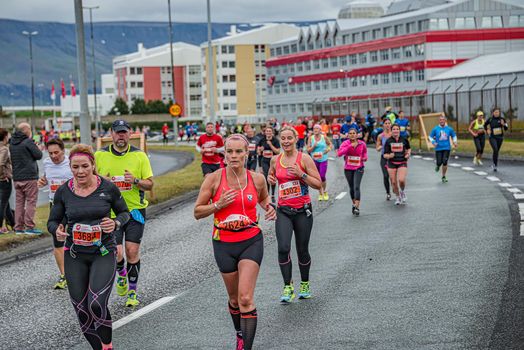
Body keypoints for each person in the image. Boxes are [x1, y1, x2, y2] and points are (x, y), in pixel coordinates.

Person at [194, 134, 276, 350]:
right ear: (224, 154)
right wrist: (217, 205)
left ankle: (245, 346)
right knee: (234, 300)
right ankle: (239, 333)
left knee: (246, 298)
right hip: (224, 244)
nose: (234, 156)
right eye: (229, 151)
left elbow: (264, 197)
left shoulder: (257, 178)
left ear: (246, 153)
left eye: (239, 151)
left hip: (250, 240)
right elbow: (197, 212)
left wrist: (269, 207)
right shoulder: (213, 179)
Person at [47, 144, 130, 350]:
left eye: (85, 166)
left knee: (96, 304)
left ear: (93, 165)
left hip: (103, 252)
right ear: (70, 167)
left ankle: (108, 345)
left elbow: (124, 213)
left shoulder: (108, 188)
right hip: (75, 255)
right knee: (82, 310)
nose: (80, 171)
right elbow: (52, 221)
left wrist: (116, 223)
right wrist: (56, 229)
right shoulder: (64, 192)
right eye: (75, 167)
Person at [95, 119, 154, 307]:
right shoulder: (99, 156)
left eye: (124, 132)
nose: (121, 136)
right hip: (111, 212)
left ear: (130, 134)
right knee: (117, 252)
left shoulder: (140, 156)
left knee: (132, 250)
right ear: (111, 134)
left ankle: (132, 293)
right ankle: (121, 274)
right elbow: (89, 181)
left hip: (135, 210)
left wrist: (135, 180)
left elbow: (150, 183)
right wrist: (101, 181)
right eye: (117, 132)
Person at [268, 126, 322, 303]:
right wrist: (271, 179)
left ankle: (304, 284)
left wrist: (301, 174)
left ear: (296, 139)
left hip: (302, 211)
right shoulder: (275, 160)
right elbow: (271, 175)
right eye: (283, 138)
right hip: (283, 211)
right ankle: (288, 286)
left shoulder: (304, 158)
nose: (285, 141)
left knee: (302, 250)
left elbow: (318, 184)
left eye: (289, 138)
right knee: (283, 248)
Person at [38, 138, 73, 289]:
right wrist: (43, 181)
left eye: (56, 152)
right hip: (56, 206)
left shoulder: (71, 163)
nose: (53, 156)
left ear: (63, 151)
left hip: (72, 205)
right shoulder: (47, 163)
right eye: (50, 153)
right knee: (57, 240)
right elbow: (48, 177)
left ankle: (79, 272)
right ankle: (64, 275)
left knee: (75, 239)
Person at [10, 122, 43, 235]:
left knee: (19, 203)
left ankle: (18, 227)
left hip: (17, 177)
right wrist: (37, 147)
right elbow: (39, 155)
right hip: (29, 176)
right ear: (26, 130)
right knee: (31, 202)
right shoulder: (28, 142)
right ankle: (29, 226)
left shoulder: (12, 143)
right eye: (29, 130)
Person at [337, 128, 367, 216]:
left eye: (354, 133)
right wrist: (350, 146)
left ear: (357, 135)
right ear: (348, 135)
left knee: (357, 186)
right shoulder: (345, 143)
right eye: (350, 133)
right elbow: (339, 153)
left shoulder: (362, 144)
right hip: (348, 168)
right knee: (352, 188)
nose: (352, 135)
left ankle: (357, 207)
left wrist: (364, 158)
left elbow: (365, 153)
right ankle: (354, 203)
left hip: (359, 167)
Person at [383, 124, 411, 205]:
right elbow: (385, 154)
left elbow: (409, 148)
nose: (395, 130)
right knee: (394, 183)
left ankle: (402, 191)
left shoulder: (404, 139)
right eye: (394, 129)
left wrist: (408, 154)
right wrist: (389, 156)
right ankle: (398, 197)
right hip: (391, 163)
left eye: (397, 129)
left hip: (402, 161)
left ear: (399, 130)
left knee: (401, 180)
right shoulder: (388, 141)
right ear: (391, 131)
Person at [306, 124, 333, 201]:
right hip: (314, 160)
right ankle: (320, 193)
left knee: (322, 176)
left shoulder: (324, 137)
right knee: (317, 177)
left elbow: (330, 144)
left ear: (320, 130)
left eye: (317, 129)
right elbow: (308, 150)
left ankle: (324, 192)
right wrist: (313, 146)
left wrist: (328, 149)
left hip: (323, 159)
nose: (315, 130)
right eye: (314, 129)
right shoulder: (310, 138)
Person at [429, 115, 458, 183]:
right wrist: (433, 142)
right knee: (439, 162)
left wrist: (455, 142)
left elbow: (454, 136)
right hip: (438, 148)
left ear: (445, 120)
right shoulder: (435, 129)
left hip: (446, 148)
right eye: (440, 120)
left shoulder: (449, 129)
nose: (442, 121)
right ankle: (438, 165)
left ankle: (443, 176)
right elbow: (430, 137)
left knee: (445, 162)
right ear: (439, 121)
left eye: (443, 119)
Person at [257, 126, 280, 202]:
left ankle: (273, 195)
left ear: (272, 132)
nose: (268, 133)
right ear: (265, 132)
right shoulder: (262, 140)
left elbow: (277, 152)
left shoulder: (275, 140)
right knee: (267, 177)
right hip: (264, 161)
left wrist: (270, 145)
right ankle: (267, 195)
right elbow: (258, 153)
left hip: (273, 161)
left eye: (270, 131)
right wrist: (260, 150)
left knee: (272, 177)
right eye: (267, 131)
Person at [0, 129, 15, 234]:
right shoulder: (4, 148)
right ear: (5, 136)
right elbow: (0, 163)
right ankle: (0, 227)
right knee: (3, 204)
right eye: (8, 135)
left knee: (6, 204)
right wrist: (2, 176)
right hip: (4, 179)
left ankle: (14, 224)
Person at [484, 107, 508, 172]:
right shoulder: (490, 119)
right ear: (493, 113)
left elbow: (506, 128)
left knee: (496, 152)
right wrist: (487, 130)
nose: (497, 113)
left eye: (498, 112)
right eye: (495, 112)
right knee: (495, 149)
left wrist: (503, 125)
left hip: (500, 137)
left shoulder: (502, 119)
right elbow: (485, 125)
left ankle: (495, 164)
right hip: (492, 137)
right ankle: (495, 165)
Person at [375, 119, 392, 200]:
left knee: (393, 176)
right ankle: (388, 193)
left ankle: (395, 189)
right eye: (386, 123)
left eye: (389, 123)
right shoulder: (380, 136)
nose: (387, 125)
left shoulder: (394, 134)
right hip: (384, 158)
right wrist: (381, 147)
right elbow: (377, 148)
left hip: (393, 157)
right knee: (386, 176)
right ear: (383, 125)